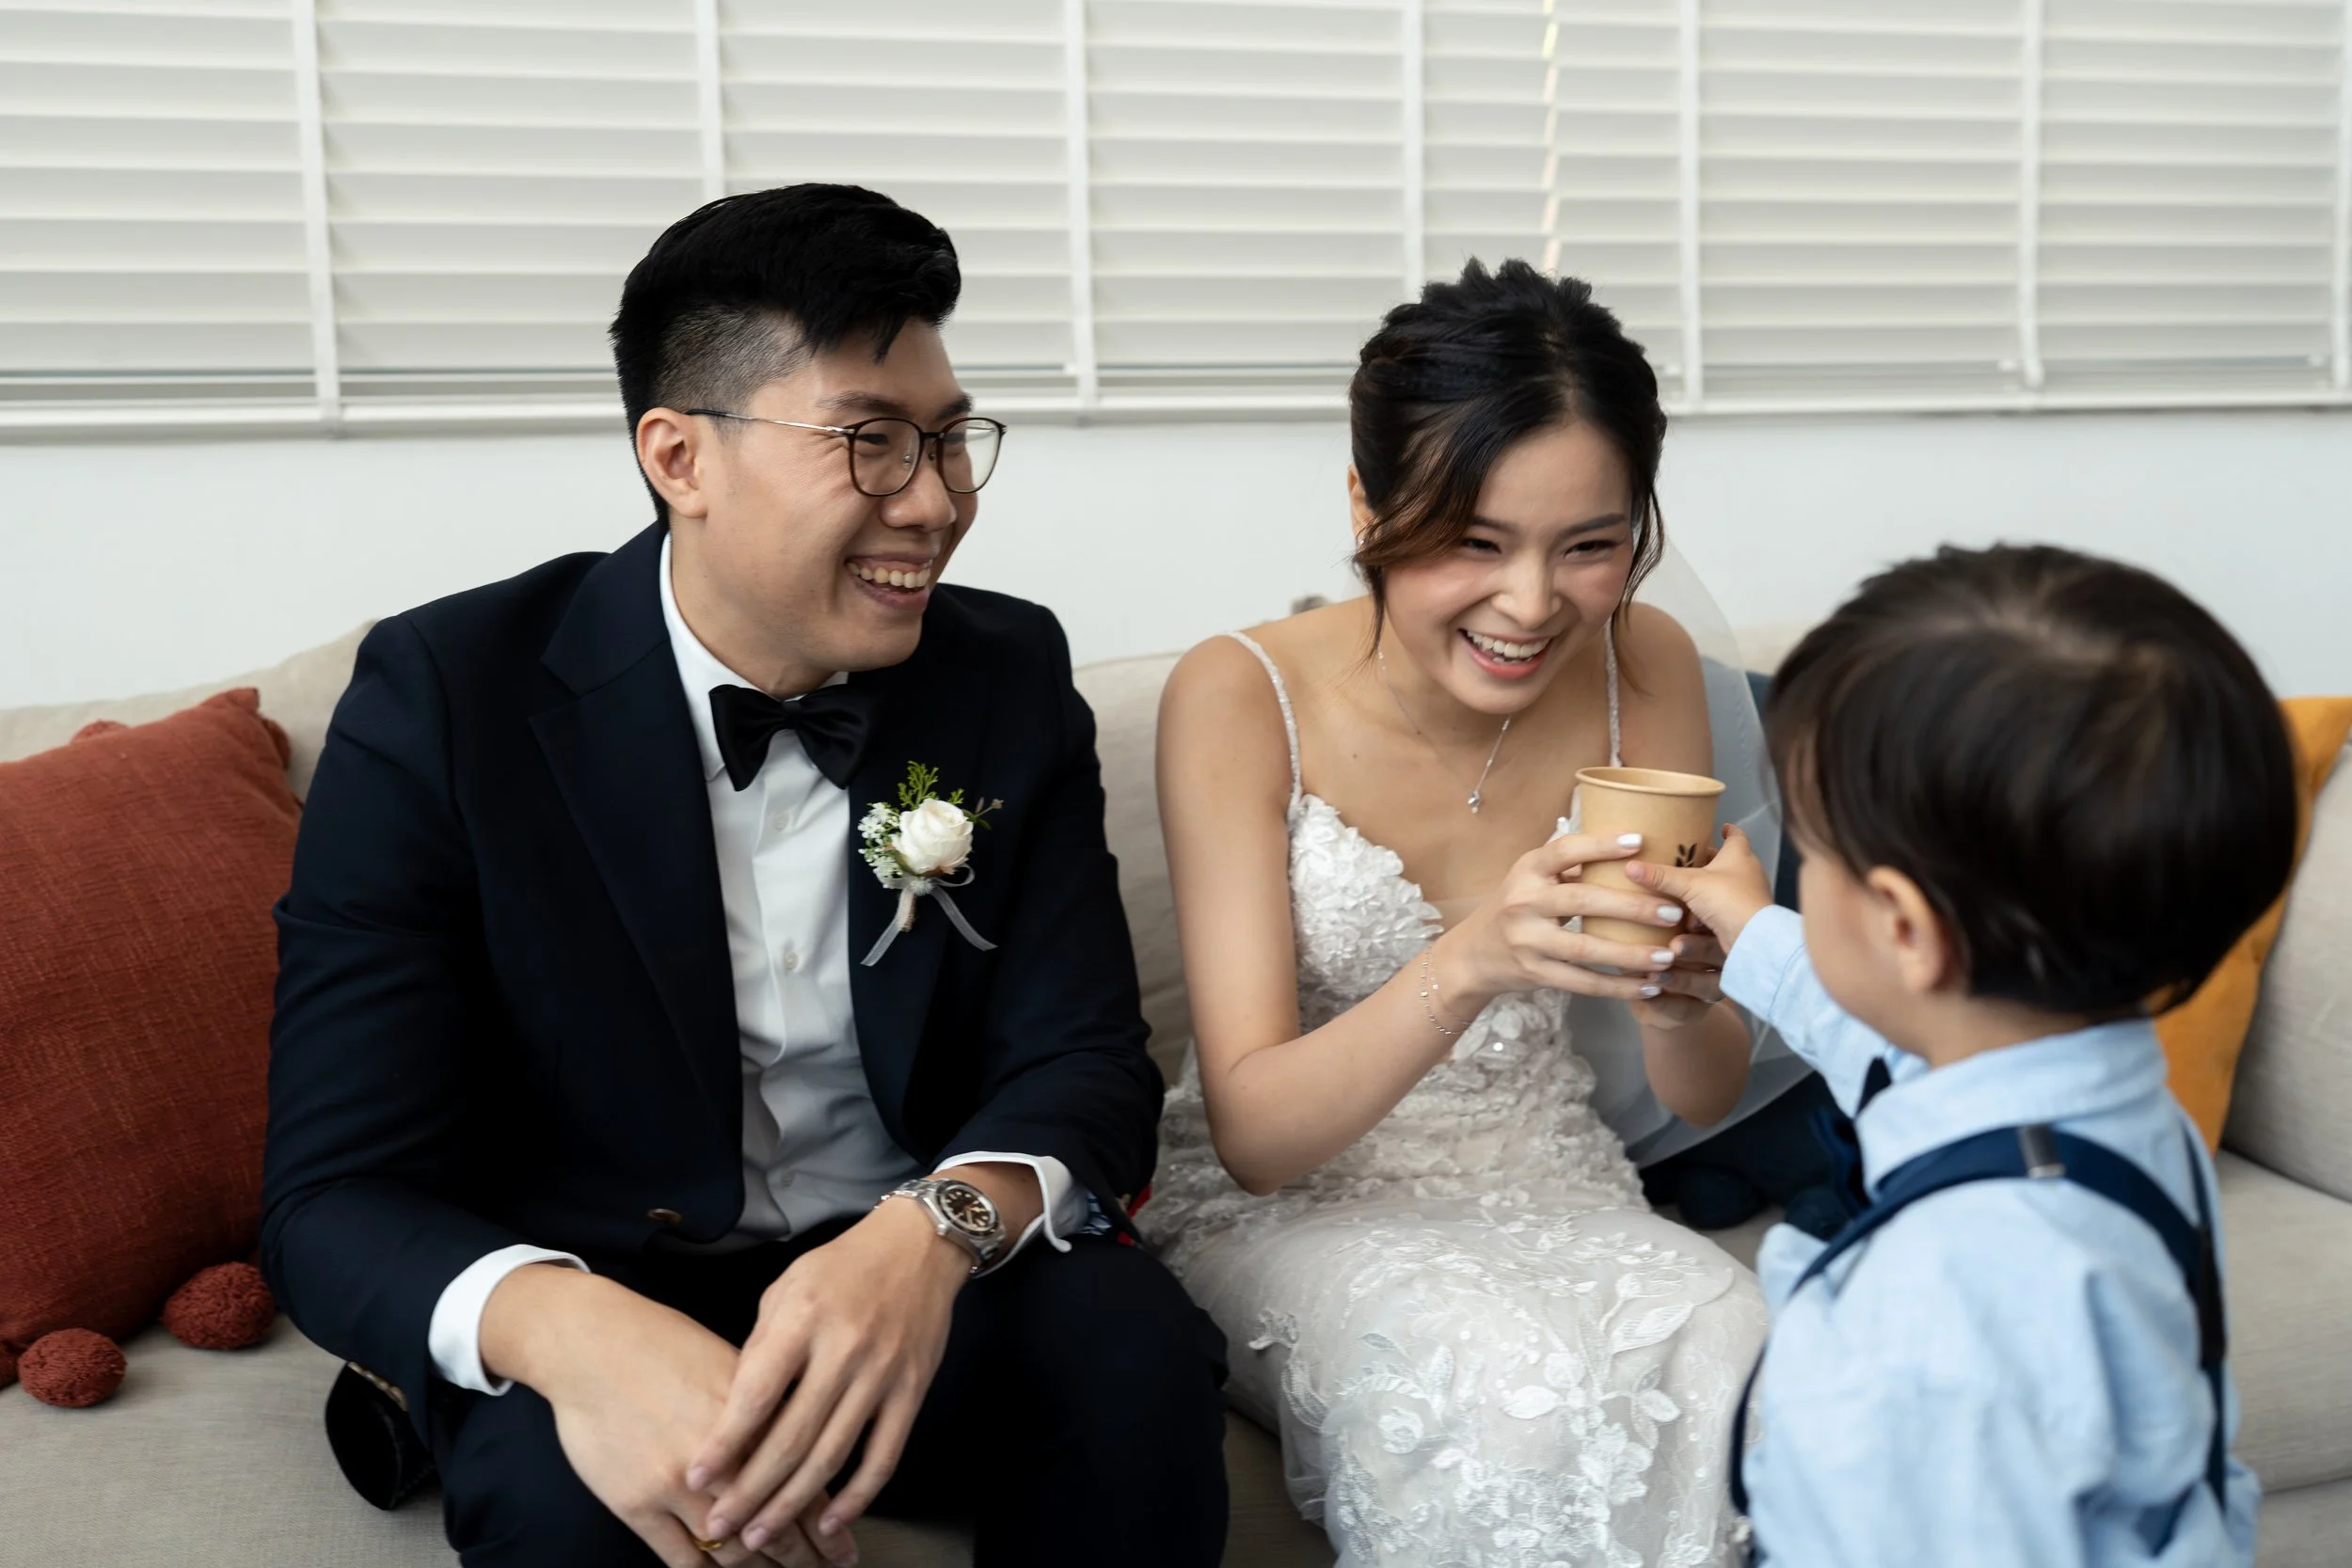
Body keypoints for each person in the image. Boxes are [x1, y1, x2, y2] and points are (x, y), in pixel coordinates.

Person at [262, 184, 1229, 1568]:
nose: (939, 500)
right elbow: (328, 1192)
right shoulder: (446, 699)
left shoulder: (1004, 674)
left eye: (954, 441)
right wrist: (576, 1334)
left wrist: (931, 1232)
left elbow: (1086, 1061)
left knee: (1130, 1356)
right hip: (593, 1285)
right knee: (563, 1510)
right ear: (680, 456)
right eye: (871, 443)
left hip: (902, 1270)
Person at [1142, 259, 1770, 1567]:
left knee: (1724, 1327)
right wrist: (1476, 956)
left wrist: (1694, 974)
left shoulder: (1641, 660)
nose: (1533, 603)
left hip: (1554, 1175)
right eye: (1473, 541)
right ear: (1367, 503)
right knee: (1495, 1375)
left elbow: (1702, 1091)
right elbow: (1257, 1134)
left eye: (1588, 544)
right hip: (1289, 1203)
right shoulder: (1237, 691)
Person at [1630, 544, 2286, 1565]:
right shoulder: (2103, 1106)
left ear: (1902, 926)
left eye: (1816, 849)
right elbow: (1882, 1038)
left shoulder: (1951, 1298)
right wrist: (1751, 926)